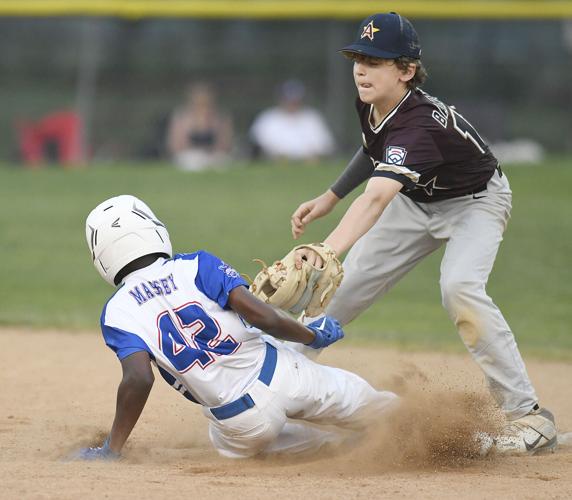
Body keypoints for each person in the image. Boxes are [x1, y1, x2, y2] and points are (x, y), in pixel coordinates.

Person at [290, 12, 557, 455]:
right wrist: (330, 197)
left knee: (460, 289)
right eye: (358, 57)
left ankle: (527, 414)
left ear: (406, 70)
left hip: (476, 202)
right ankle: (280, 376)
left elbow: (376, 198)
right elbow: (372, 148)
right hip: (417, 201)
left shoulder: (420, 122)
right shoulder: (372, 100)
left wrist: (327, 248)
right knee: (343, 289)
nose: (360, 68)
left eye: (375, 61)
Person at [75, 195, 397, 460]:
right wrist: (312, 335)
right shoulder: (196, 265)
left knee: (278, 446)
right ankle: (406, 429)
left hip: (240, 425)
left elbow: (139, 378)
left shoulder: (116, 312)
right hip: (284, 375)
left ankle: (341, 447)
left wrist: (111, 449)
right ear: (153, 229)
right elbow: (265, 318)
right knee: (376, 409)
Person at [250, 79, 335, 162]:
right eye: (288, 99)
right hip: (276, 163)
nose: (292, 103)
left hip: (308, 164)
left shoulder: (312, 118)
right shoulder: (267, 118)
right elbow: (258, 147)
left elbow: (325, 146)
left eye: (295, 99)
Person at [166, 83, 233, 171]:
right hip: (190, 155)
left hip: (213, 156)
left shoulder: (220, 118)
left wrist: (211, 151)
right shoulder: (182, 118)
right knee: (193, 162)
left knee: (221, 163)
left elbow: (226, 143)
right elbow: (175, 145)